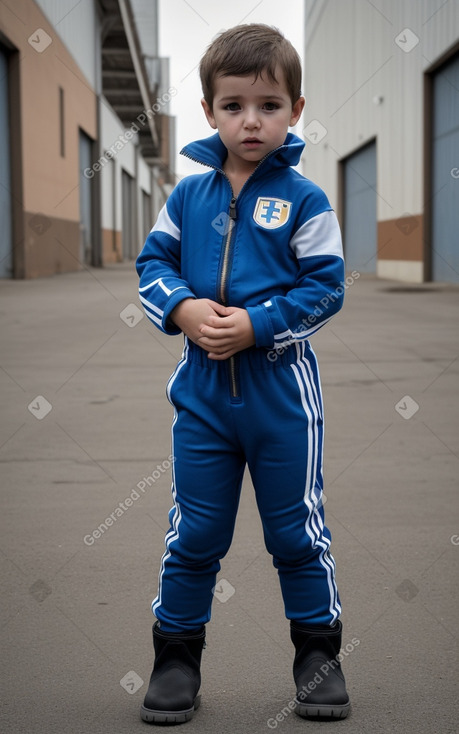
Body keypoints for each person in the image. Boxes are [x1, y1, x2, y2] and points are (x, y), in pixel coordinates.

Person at [136, 23, 350, 725]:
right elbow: (151, 269)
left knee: (295, 533)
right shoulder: (186, 198)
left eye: (267, 104)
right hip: (202, 401)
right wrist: (185, 308)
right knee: (194, 533)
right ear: (208, 113)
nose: (249, 120)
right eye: (232, 106)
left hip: (281, 398)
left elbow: (326, 288)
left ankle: (317, 658)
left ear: (293, 108)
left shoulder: (305, 200)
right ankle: (175, 658)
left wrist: (258, 324)